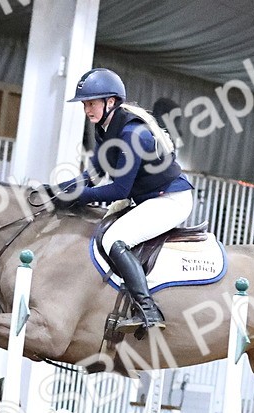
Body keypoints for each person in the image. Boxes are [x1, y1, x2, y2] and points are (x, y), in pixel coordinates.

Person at [50, 68, 194, 332]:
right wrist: (55, 190)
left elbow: (119, 190)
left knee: (114, 239)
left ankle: (148, 310)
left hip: (171, 200)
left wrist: (76, 196)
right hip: (150, 199)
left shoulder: (132, 134)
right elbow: (92, 175)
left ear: (111, 101)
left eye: (91, 103)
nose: (87, 110)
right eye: (84, 104)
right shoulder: (105, 129)